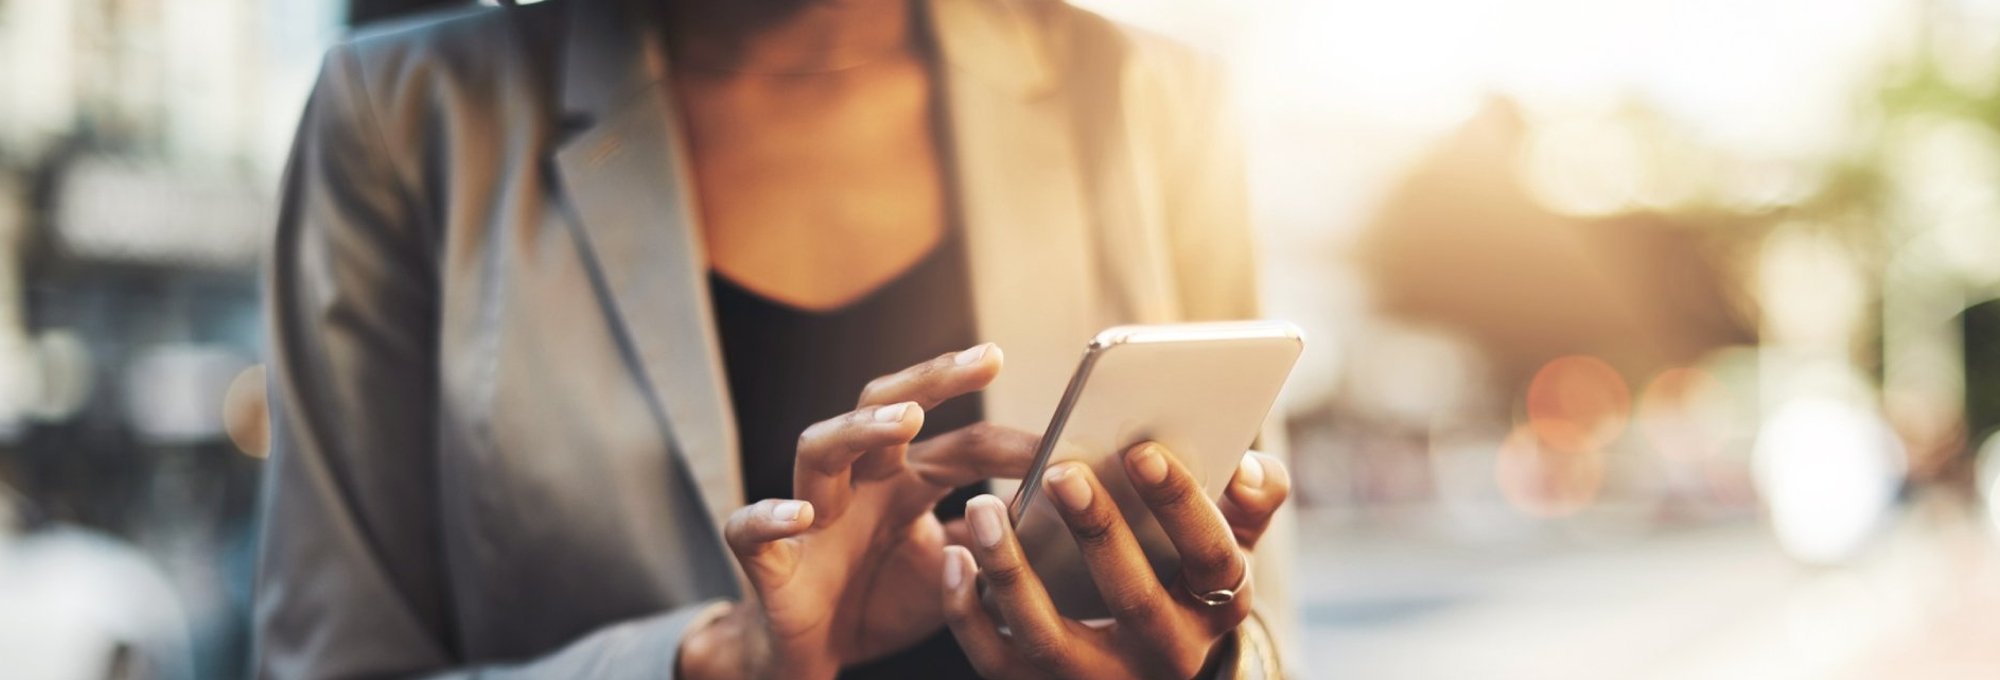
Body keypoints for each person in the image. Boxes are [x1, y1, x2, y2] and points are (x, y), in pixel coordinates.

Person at [253, 0, 1294, 677]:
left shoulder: (1152, 102)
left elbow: (1260, 635)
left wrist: (1213, 661)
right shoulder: (402, 119)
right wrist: (718, 659)